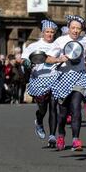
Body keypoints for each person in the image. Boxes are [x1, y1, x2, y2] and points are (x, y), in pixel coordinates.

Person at [47, 15, 86, 151]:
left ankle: (76, 139)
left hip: (80, 77)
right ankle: (61, 135)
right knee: (63, 113)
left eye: (78, 28)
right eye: (73, 28)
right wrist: (59, 59)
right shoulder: (60, 41)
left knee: (76, 106)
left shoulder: (84, 41)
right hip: (63, 78)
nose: (76, 31)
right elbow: (48, 58)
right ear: (68, 28)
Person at [22, 19, 61, 147]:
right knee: (43, 108)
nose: (49, 34)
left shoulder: (58, 45)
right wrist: (26, 63)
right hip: (39, 79)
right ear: (43, 32)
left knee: (53, 106)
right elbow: (24, 59)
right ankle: (39, 120)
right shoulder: (34, 45)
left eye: (52, 32)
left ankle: (52, 136)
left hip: (54, 78)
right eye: (47, 32)